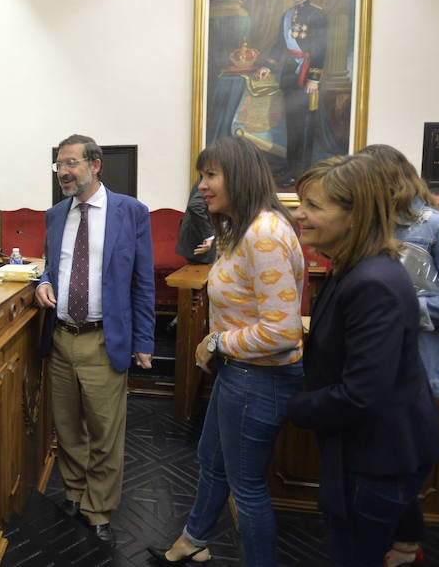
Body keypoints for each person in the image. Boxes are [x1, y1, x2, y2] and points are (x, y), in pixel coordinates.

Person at [152, 136, 305, 566]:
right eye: (202, 175)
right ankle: (194, 539)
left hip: (260, 377)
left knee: (248, 490)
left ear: (240, 176)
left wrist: (217, 341)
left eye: (211, 175)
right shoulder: (244, 228)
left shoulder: (264, 234)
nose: (202, 185)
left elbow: (283, 331)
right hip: (240, 373)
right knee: (211, 459)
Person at [286, 155, 439, 567]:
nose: (299, 213)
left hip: (378, 455)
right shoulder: (351, 269)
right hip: (372, 447)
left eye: (314, 206)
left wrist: (290, 405)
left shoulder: (373, 282)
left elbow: (360, 394)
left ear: (356, 217)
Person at [35, 134, 155, 545]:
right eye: (59, 166)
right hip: (62, 337)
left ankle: (99, 508)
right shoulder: (54, 215)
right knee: (67, 428)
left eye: (71, 164)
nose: (64, 172)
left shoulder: (131, 212)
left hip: (106, 338)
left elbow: (143, 281)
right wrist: (44, 282)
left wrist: (144, 341)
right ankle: (73, 492)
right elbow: (51, 267)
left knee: (105, 432)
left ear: (95, 164)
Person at [359, 144, 439, 567]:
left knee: (407, 458)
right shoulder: (371, 226)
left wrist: (400, 306)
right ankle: (400, 543)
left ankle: (403, 545)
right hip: (377, 364)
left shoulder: (437, 227)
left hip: (421, 363)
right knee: (386, 457)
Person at [253, 0, 326, 187]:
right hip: (290, 75)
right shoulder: (287, 15)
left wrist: (314, 78)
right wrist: (267, 65)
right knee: (291, 124)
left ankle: (301, 171)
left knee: (302, 126)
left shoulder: (318, 15)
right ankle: (291, 165)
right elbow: (279, 45)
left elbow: (322, 48)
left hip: (306, 77)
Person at [175, 180, 216, 264]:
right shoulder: (216, 177)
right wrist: (209, 236)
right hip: (201, 243)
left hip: (199, 240)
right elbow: (196, 205)